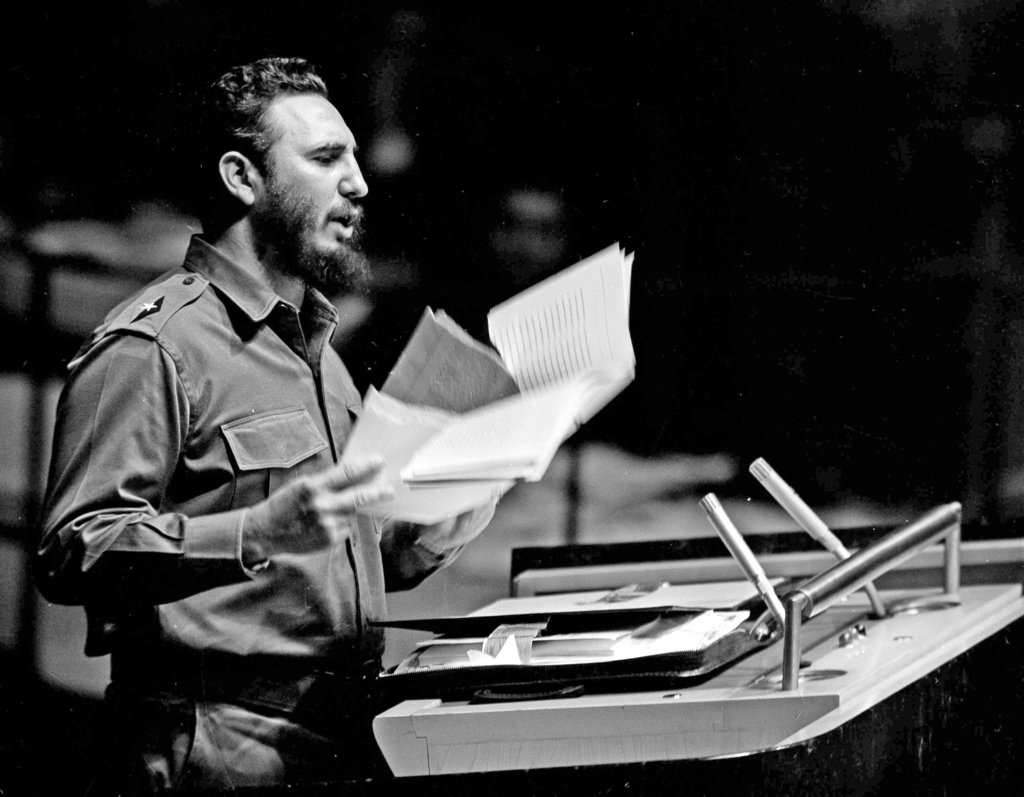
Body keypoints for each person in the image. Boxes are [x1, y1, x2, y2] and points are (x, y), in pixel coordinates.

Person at [34, 56, 497, 792]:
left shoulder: (318, 352)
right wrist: (257, 531)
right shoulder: (154, 344)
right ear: (242, 178)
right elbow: (71, 548)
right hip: (214, 748)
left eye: (352, 154)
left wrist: (458, 502)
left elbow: (359, 562)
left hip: (338, 739)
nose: (359, 182)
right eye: (324, 158)